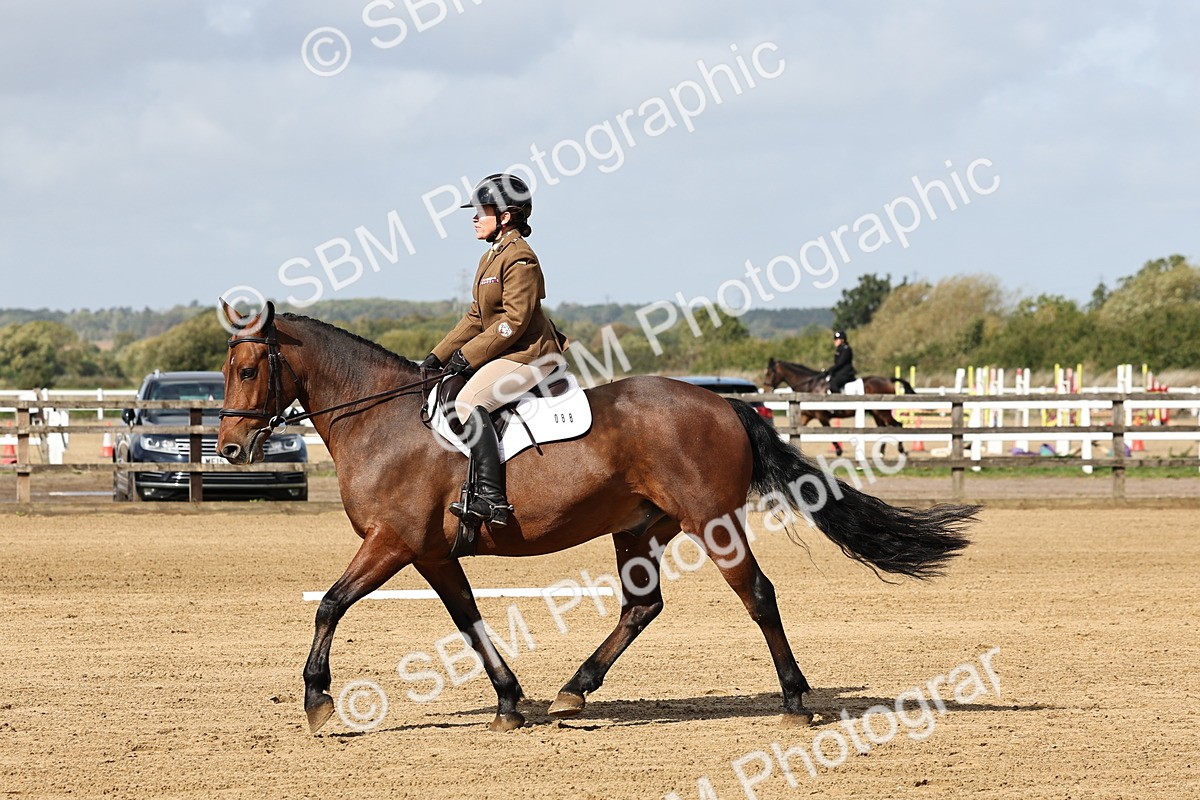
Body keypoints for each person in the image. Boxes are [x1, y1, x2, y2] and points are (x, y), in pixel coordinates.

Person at [419, 173, 567, 527]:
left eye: (481, 211)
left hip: (530, 354)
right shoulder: (492, 257)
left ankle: (492, 499)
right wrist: (437, 356)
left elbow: (513, 321)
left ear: (505, 216)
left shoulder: (520, 259)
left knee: (470, 402)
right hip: (508, 351)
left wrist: (467, 356)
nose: (474, 217)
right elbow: (476, 315)